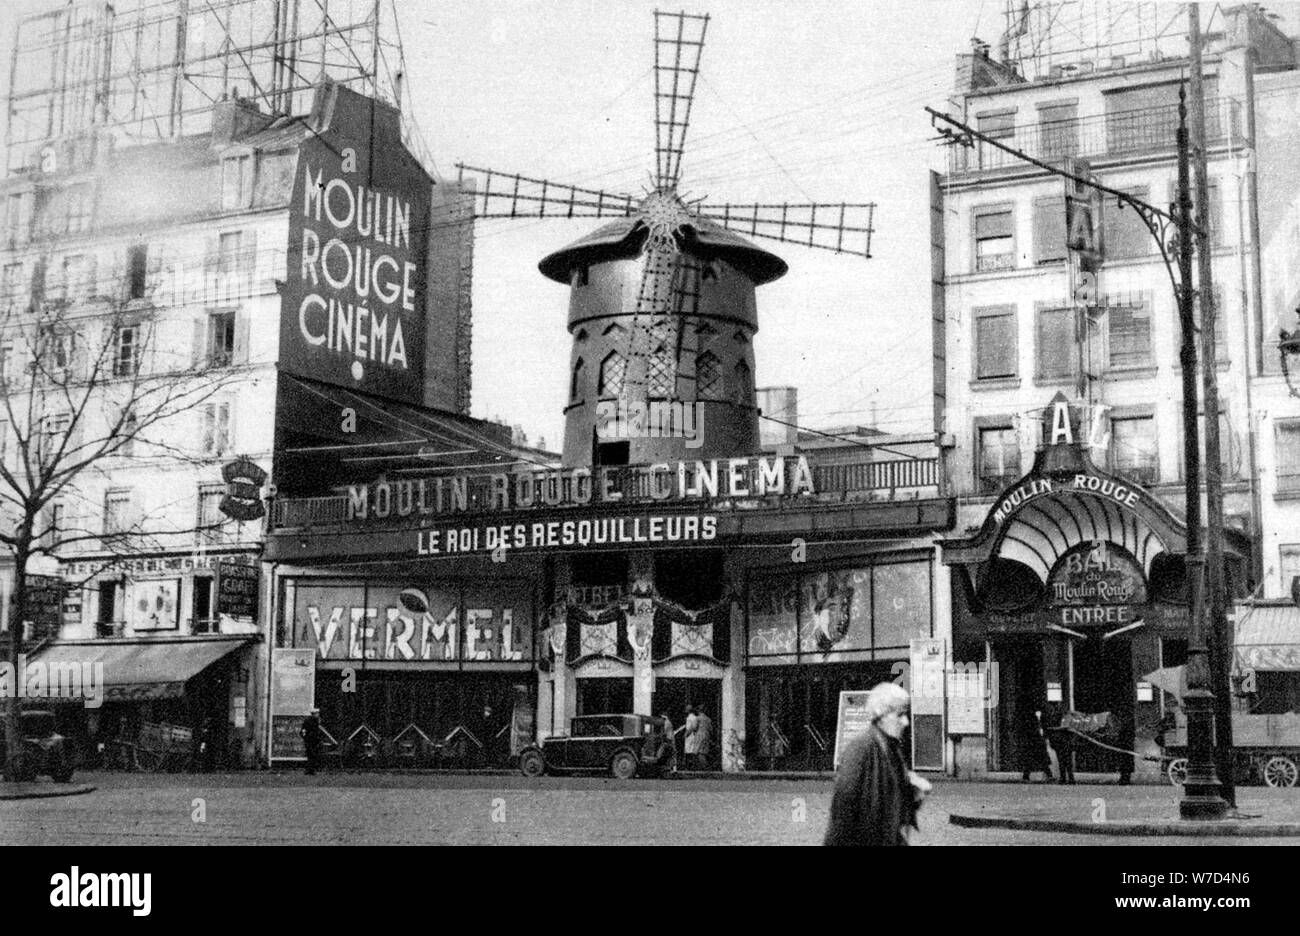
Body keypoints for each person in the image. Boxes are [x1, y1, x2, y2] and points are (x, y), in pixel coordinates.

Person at [824, 682, 930, 846]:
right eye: (900, 715)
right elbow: (843, 810)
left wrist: (914, 792)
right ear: (881, 715)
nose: (906, 722)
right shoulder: (861, 748)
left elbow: (896, 804)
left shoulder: (892, 747)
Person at [1018, 706, 1053, 782]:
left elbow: (1045, 727)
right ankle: (1026, 776)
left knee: (1042, 759)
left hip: (1040, 740)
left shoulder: (1042, 717)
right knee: (1031, 759)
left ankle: (1049, 775)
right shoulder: (1030, 718)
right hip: (1033, 740)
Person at [301, 709, 323, 776]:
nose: (318, 714)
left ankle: (310, 770)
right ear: (314, 713)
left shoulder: (307, 720)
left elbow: (303, 731)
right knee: (313, 755)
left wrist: (305, 738)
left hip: (309, 740)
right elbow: (315, 731)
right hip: (312, 740)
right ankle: (310, 770)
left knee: (310, 755)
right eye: (317, 713)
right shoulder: (313, 721)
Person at [695, 707, 714, 771]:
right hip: (707, 736)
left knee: (699, 752)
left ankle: (705, 766)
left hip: (699, 735)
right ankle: (704, 766)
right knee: (704, 752)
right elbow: (711, 729)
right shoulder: (708, 719)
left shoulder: (698, 718)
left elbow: (695, 728)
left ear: (699, 711)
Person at [683, 706, 701, 770]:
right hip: (693, 735)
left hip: (690, 735)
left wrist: (686, 734)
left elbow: (691, 727)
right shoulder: (695, 717)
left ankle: (689, 766)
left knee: (689, 751)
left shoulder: (690, 718)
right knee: (691, 750)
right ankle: (692, 766)